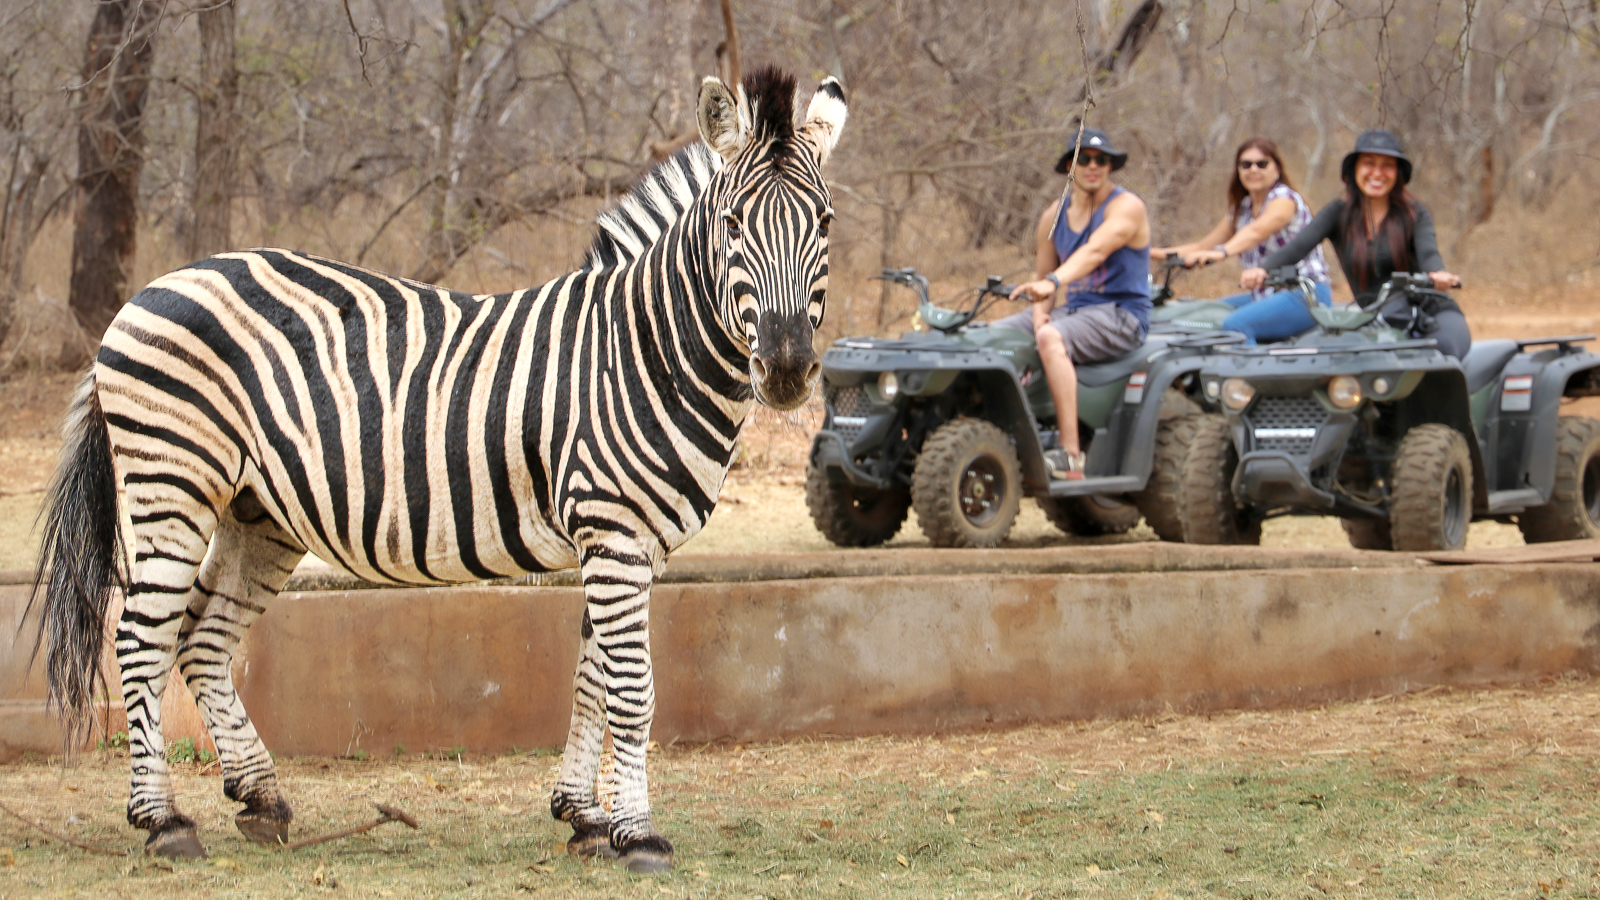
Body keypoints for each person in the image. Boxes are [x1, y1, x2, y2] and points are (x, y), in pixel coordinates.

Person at [998, 128, 1151, 480]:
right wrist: (1039, 316)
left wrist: (1052, 287)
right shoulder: (1053, 215)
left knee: (1053, 339)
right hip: (1077, 310)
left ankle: (1070, 454)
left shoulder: (1127, 206)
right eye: (1084, 159)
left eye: (1102, 160)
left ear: (1110, 165)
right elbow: (1043, 283)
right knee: (992, 339)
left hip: (1122, 314)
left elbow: (1094, 251)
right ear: (1070, 165)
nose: (1093, 166)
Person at [1241, 130, 1467, 357]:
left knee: (1442, 353)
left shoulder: (1415, 212)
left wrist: (1437, 274)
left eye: (1387, 165)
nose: (1377, 173)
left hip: (1431, 310)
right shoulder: (1338, 212)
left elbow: (1429, 253)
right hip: (1376, 318)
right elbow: (1298, 246)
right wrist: (1263, 269)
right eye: (1369, 164)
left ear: (1398, 173)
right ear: (1354, 170)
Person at [1151, 137, 1334, 345]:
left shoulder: (1285, 200)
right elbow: (1202, 247)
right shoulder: (1242, 209)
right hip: (1266, 295)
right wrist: (1151, 253)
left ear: (1277, 169)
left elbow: (1256, 231)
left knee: (1236, 325)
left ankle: (1250, 377)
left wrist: (1222, 252)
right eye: (1245, 164)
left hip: (1306, 294)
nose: (1253, 169)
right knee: (1205, 315)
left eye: (1262, 164)